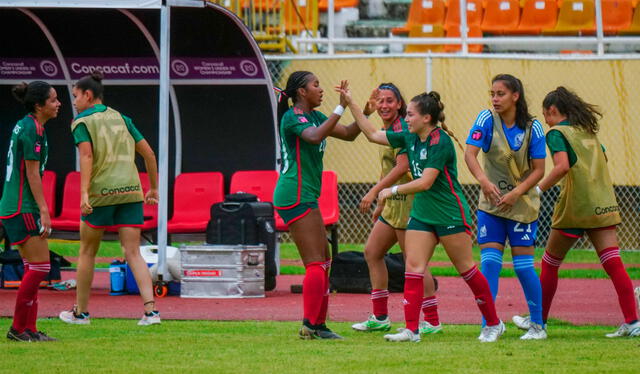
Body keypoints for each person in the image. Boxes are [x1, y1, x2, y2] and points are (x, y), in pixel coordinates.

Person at [344, 88, 504, 343]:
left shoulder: (440, 141)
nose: (406, 119)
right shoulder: (409, 136)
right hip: (422, 212)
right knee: (413, 268)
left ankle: (494, 324)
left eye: (410, 114)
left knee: (466, 269)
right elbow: (373, 134)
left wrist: (390, 190)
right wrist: (351, 102)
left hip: (448, 211)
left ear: (426, 118)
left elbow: (427, 182)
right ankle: (411, 329)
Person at [518, 86, 639, 337]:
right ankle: (632, 322)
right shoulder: (588, 132)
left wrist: (537, 190)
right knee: (613, 263)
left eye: (545, 115)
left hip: (576, 205)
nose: (546, 120)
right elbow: (602, 160)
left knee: (550, 263)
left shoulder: (556, 133)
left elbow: (561, 167)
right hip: (603, 202)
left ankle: (539, 322)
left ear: (552, 111)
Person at [58, 71, 160, 326]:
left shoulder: (81, 122)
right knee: (133, 252)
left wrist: (83, 194)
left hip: (100, 193)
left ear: (88, 95)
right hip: (130, 191)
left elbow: (87, 157)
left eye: (75, 96)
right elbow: (149, 154)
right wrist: (154, 189)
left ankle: (80, 313)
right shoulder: (123, 118)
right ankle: (151, 312)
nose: (74, 101)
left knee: (87, 252)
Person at [273, 71, 361, 339]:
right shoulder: (294, 117)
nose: (321, 89)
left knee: (324, 261)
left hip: (305, 194)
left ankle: (318, 325)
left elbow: (347, 133)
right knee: (315, 263)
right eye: (316, 85)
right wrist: (340, 107)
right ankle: (311, 326)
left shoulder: (314, 116)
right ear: (301, 92)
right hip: (294, 194)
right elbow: (313, 137)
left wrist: (363, 109)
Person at [350, 83, 440, 335]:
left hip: (407, 204)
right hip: (393, 204)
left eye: (390, 100)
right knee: (372, 252)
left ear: (399, 104)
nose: (384, 105)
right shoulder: (392, 127)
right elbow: (373, 141)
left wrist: (373, 192)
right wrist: (382, 202)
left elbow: (401, 167)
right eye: (380, 100)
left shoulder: (403, 128)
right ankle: (380, 316)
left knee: (415, 263)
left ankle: (432, 320)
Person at [464, 74, 547, 340]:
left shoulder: (533, 128)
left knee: (523, 266)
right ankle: (490, 324)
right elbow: (469, 153)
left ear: (515, 96)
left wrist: (516, 193)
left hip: (522, 207)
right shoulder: (485, 119)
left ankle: (537, 326)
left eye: (500, 94)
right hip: (490, 206)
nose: (495, 99)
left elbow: (539, 170)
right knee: (489, 264)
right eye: (492, 94)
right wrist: (484, 182)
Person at [1, 81, 60, 342]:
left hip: (14, 205)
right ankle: (17, 328)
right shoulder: (32, 129)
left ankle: (30, 330)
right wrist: (44, 212)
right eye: (53, 100)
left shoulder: (27, 124)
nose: (58, 104)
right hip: (21, 207)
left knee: (33, 267)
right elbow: (33, 175)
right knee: (39, 268)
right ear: (39, 105)